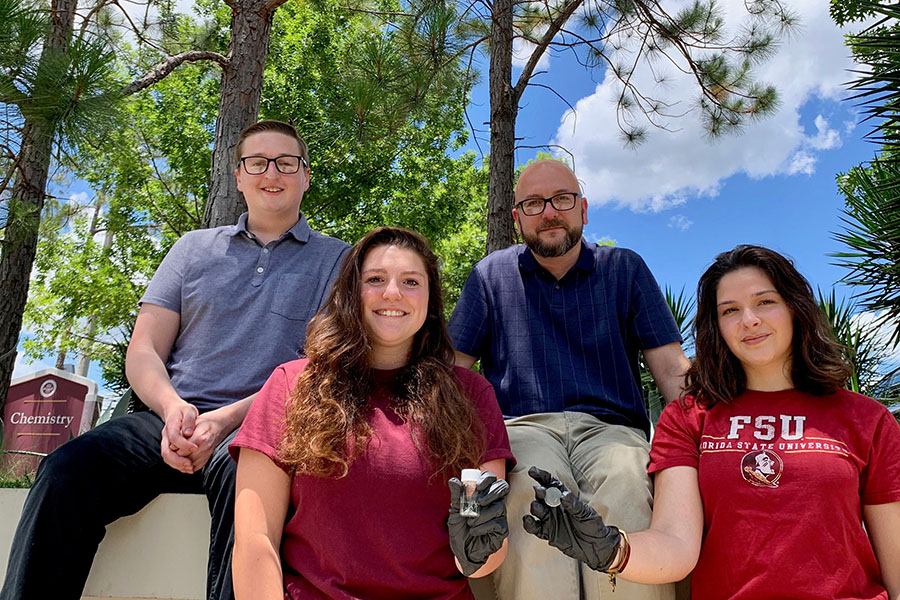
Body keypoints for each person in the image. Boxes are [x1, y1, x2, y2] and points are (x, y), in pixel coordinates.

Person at [0, 120, 349, 600]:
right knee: (66, 471)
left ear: (306, 176)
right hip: (167, 418)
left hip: (262, 428)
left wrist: (225, 421)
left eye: (286, 163)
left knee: (251, 508)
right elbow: (143, 350)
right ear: (239, 175)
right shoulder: (192, 249)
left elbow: (323, 368)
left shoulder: (340, 262)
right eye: (258, 162)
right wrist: (171, 409)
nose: (273, 172)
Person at [524, 245, 900, 600]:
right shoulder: (688, 417)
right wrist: (610, 548)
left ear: (795, 307)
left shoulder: (867, 419)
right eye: (730, 310)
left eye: (765, 302)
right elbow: (675, 544)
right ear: (716, 326)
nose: (749, 320)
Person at [230, 226, 515, 600]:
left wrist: (481, 540)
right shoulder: (291, 385)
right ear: (351, 293)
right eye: (375, 279)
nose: (392, 292)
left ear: (430, 301)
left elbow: (481, 556)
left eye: (411, 281)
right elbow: (255, 541)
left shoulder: (472, 395)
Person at [448, 158, 689, 600]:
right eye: (534, 203)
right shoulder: (490, 276)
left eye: (562, 199)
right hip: (523, 424)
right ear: (517, 216)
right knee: (526, 492)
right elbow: (452, 374)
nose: (550, 211)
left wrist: (713, 439)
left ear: (583, 208)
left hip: (612, 429)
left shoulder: (625, 269)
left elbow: (673, 370)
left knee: (628, 485)